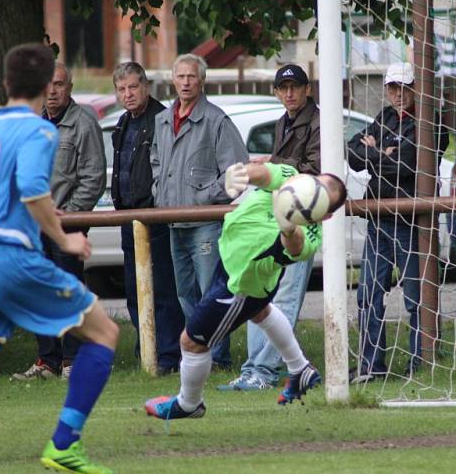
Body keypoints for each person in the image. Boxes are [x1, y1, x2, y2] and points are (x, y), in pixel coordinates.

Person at [0, 42, 119, 473]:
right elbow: (35, 189)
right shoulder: (40, 130)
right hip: (7, 256)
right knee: (104, 332)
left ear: (4, 83)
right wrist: (64, 237)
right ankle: (64, 445)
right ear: (44, 85)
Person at [145, 162, 347, 420]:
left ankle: (188, 403)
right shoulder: (291, 178)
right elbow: (262, 173)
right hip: (233, 265)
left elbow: (296, 248)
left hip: (241, 286)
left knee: (192, 341)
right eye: (318, 183)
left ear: (326, 215)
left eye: (323, 196)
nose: (314, 190)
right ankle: (300, 369)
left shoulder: (310, 231)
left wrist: (287, 225)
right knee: (261, 312)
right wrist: (239, 175)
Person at [218, 64, 321, 391]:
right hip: (275, 215)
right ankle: (256, 368)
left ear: (307, 89)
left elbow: (316, 170)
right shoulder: (282, 122)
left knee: (285, 297)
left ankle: (262, 371)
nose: (289, 93)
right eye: (283, 88)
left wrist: (274, 168)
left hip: (302, 217)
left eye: (295, 87)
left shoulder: (319, 122)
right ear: (277, 93)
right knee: (259, 290)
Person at [346, 62, 448, 383]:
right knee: (369, 294)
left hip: (411, 221)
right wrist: (385, 154)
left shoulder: (432, 122)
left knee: (416, 296)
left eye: (405, 87)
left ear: (417, 88)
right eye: (393, 87)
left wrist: (378, 153)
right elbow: (351, 153)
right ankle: (371, 365)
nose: (398, 94)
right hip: (379, 218)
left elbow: (409, 164)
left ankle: (421, 361)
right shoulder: (384, 117)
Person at [151, 53, 248, 369]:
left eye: (191, 76)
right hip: (173, 223)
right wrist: (160, 194)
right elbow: (156, 165)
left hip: (206, 223)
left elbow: (238, 172)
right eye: (180, 76)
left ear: (202, 80)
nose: (186, 82)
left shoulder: (216, 120)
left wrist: (204, 198)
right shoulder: (162, 121)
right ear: (172, 80)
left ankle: (219, 358)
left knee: (212, 294)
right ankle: (198, 354)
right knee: (185, 296)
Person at [12, 61, 106, 381]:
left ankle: (73, 359)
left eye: (60, 84)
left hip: (67, 224)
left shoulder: (84, 123)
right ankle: (47, 361)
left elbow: (93, 177)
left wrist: (72, 212)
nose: (53, 91)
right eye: (48, 84)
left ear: (70, 87)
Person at [111, 61, 185, 374]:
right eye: (121, 89)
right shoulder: (122, 123)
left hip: (156, 218)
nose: (127, 94)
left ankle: (169, 356)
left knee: (165, 290)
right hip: (129, 217)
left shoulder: (163, 119)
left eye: (132, 87)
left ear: (146, 87)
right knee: (134, 290)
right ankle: (146, 352)